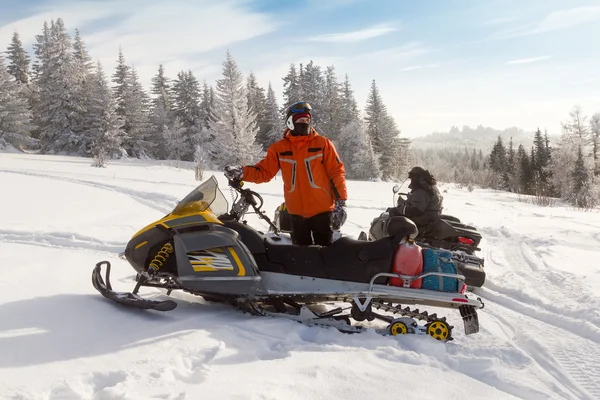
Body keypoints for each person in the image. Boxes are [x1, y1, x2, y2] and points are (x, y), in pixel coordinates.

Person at [223, 101, 348, 246]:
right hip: (296, 214)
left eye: (307, 120)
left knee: (325, 256)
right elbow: (264, 172)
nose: (305, 123)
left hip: (322, 212)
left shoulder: (323, 144)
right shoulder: (279, 149)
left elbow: (336, 172)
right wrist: (241, 172)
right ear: (290, 122)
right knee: (301, 258)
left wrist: (341, 202)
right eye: (301, 120)